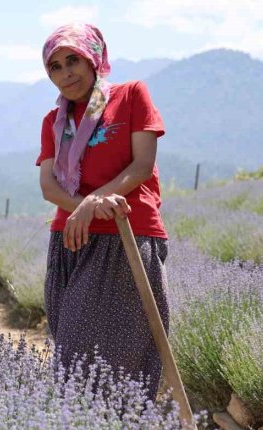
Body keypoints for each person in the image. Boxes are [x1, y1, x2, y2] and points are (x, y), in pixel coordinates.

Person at [36, 23, 169, 398]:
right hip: (70, 241)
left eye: (73, 60)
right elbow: (49, 187)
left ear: (94, 57)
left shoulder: (130, 96)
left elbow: (141, 167)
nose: (66, 74)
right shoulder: (54, 121)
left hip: (124, 236)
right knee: (71, 357)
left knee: (121, 355)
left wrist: (88, 207)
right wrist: (84, 211)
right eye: (55, 67)